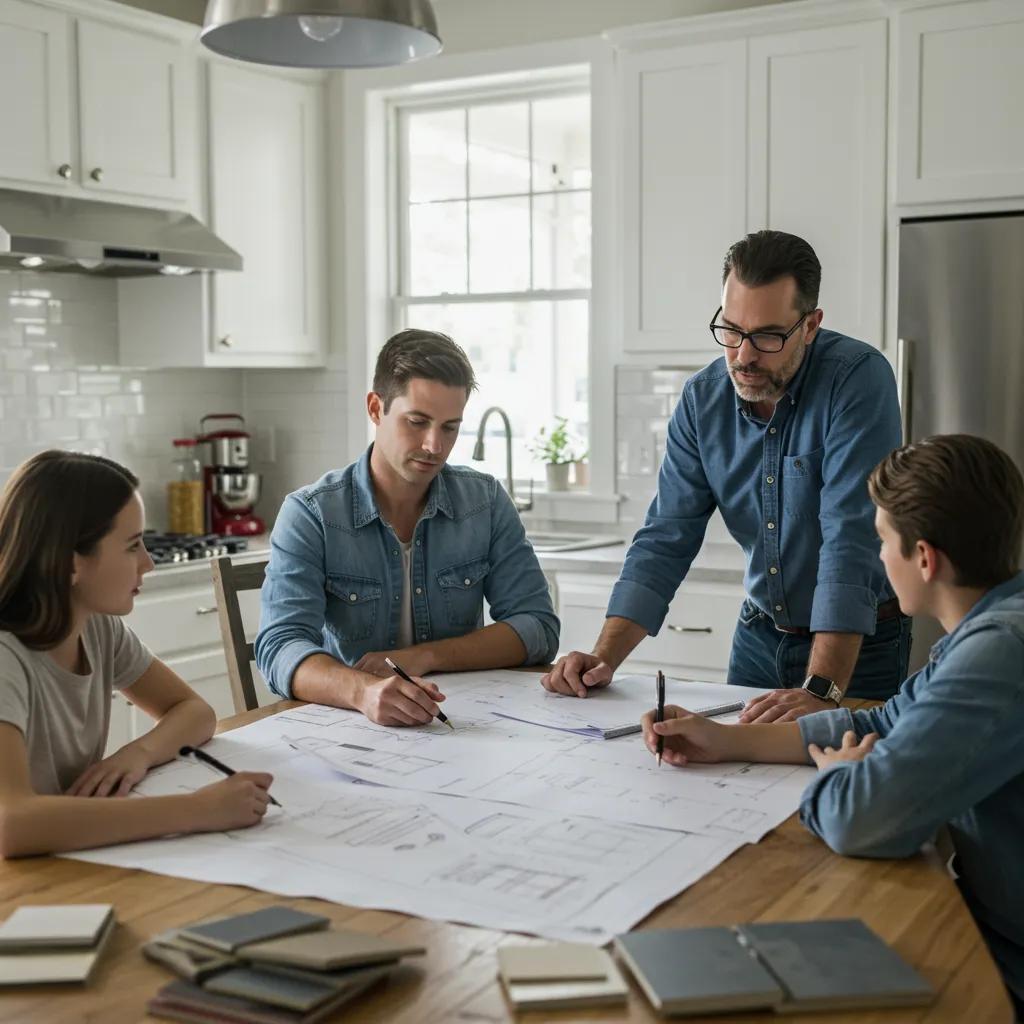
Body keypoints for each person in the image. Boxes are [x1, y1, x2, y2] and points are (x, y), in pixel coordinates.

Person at [640, 434, 1024, 1016]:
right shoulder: (985, 632)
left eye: (882, 542)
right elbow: (891, 721)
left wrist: (838, 776)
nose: (877, 559)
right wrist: (725, 739)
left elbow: (863, 820)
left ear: (924, 558)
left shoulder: (998, 654)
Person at [543, 229, 908, 720]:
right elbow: (666, 536)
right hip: (759, 636)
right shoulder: (702, 399)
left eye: (768, 336)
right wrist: (603, 657)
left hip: (859, 646)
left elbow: (850, 537)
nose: (744, 355)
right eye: (731, 330)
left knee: (839, 786)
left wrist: (822, 689)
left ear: (811, 325)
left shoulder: (858, 380)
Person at [256, 329, 559, 726]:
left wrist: (427, 656)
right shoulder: (310, 514)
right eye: (417, 422)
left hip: (462, 723)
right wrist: (362, 691)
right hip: (348, 727)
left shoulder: (484, 502)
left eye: (450, 427)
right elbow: (280, 648)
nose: (434, 445)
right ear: (376, 409)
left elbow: (537, 627)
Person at [0, 451, 273, 858]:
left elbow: (194, 711)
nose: (148, 563)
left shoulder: (96, 627)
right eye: (131, 546)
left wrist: (137, 754)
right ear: (68, 564)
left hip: (64, 858)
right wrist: (197, 810)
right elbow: (12, 825)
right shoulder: (7, 658)